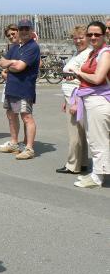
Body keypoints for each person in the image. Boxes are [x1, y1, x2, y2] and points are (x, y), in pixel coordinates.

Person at [70, 21, 110, 188]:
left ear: (104, 35)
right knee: (93, 138)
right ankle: (96, 173)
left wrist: (78, 73)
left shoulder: (105, 53)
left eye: (97, 34)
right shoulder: (94, 53)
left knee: (98, 140)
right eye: (90, 34)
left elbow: (97, 78)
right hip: (90, 99)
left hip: (99, 100)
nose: (93, 37)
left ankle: (97, 177)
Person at [0, 19, 40, 160]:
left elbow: (20, 67)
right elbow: (1, 62)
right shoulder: (15, 47)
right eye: (22, 29)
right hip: (11, 88)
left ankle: (29, 148)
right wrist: (12, 63)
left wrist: (10, 65)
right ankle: (14, 143)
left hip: (24, 88)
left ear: (31, 30)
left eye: (27, 29)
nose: (24, 31)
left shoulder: (32, 47)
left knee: (26, 117)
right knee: (11, 115)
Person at [55, 25, 91, 174]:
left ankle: (72, 164)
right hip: (72, 95)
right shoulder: (80, 53)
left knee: (74, 132)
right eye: (75, 38)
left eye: (81, 37)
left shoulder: (87, 54)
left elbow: (82, 78)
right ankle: (81, 162)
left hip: (77, 95)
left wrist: (74, 101)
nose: (77, 40)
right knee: (80, 131)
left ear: (88, 38)